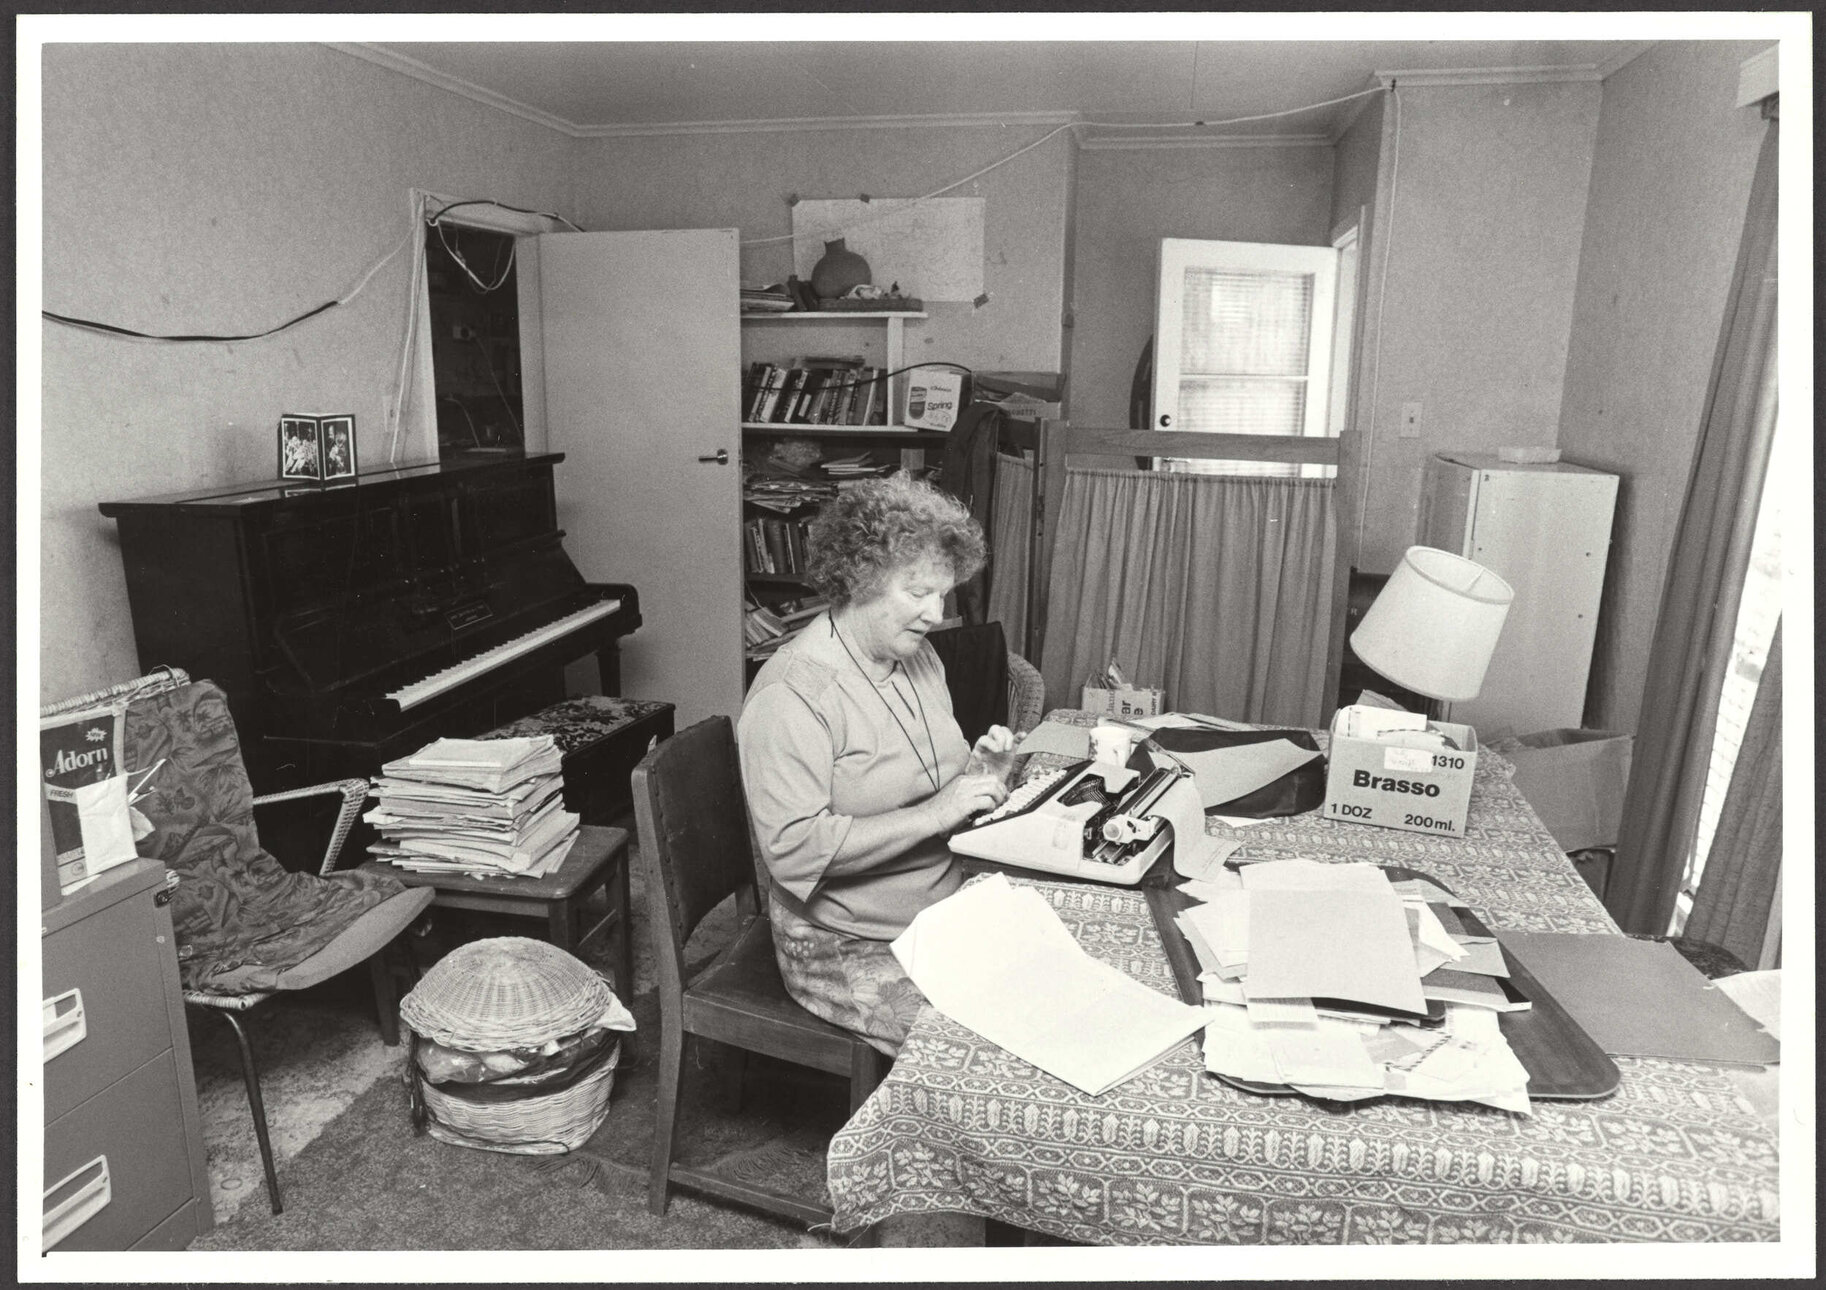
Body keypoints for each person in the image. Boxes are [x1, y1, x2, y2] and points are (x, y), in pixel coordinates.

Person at [737, 474, 1017, 1056]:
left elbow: (924, 782)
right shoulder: (792, 695)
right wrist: (940, 811)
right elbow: (794, 852)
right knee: (988, 1050)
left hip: (937, 908)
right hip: (843, 939)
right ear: (858, 578)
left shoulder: (917, 659)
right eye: (916, 593)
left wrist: (980, 776)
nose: (935, 614)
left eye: (943, 594)